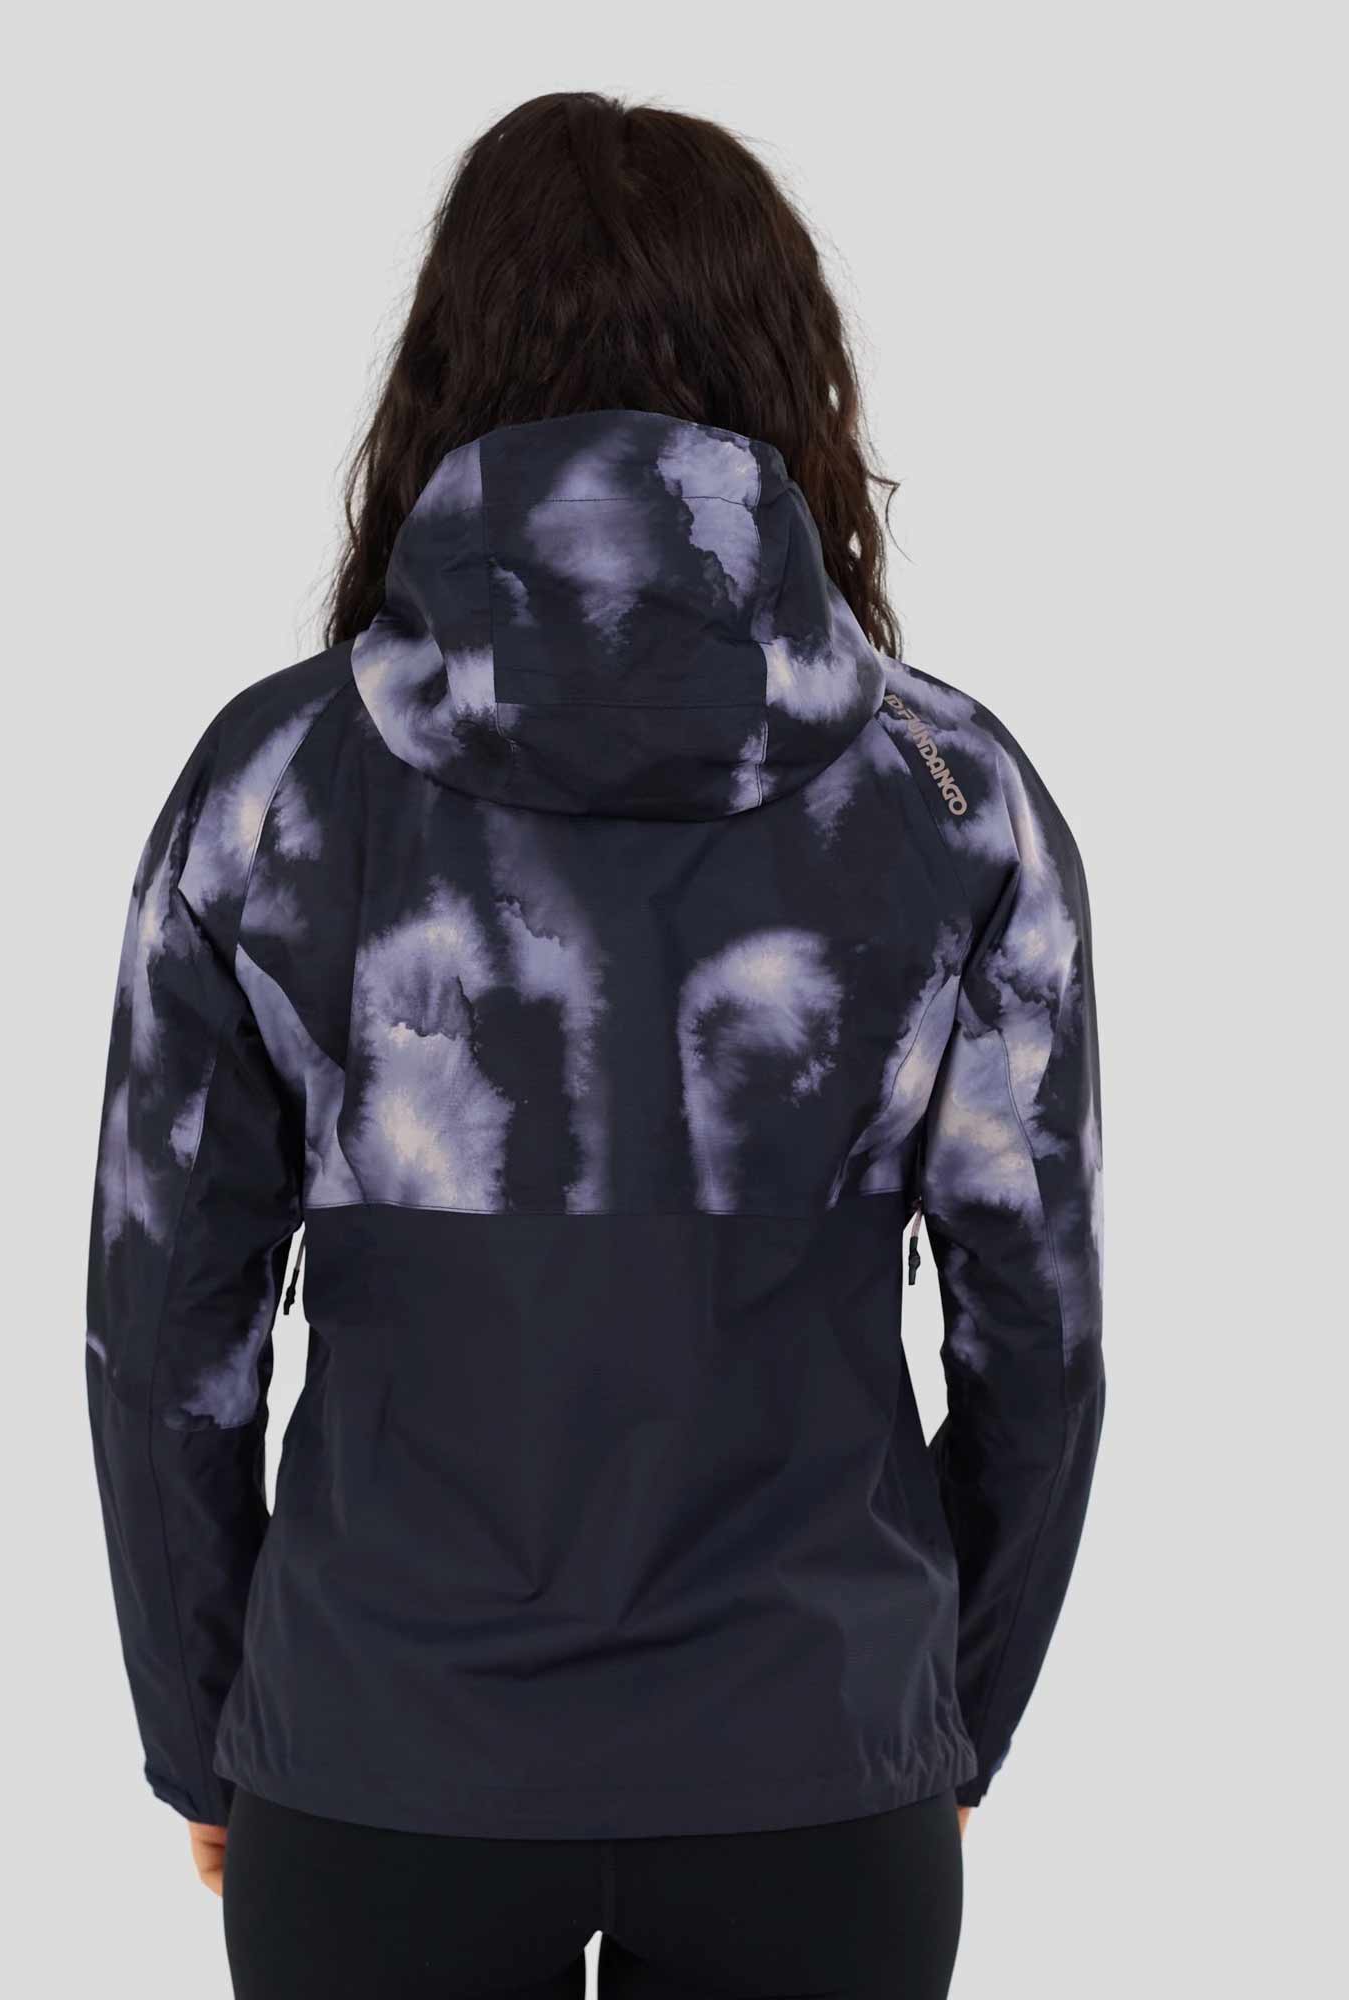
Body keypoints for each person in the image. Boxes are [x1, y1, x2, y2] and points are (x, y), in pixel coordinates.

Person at [86, 91, 1104, 2000]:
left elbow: (166, 1340)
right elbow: (1036, 1342)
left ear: (447, 379)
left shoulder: (275, 787)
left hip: (380, 1761)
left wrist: (202, 1724)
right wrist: (943, 1720)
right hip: (818, 1769)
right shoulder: (954, 799)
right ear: (789, 381)